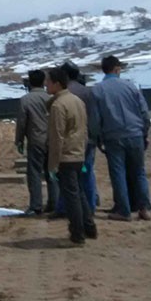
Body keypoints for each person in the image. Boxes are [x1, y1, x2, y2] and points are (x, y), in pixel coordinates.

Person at [91, 55, 151, 221]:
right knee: (139, 171)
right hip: (135, 134)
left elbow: (95, 119)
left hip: (113, 136)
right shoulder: (131, 87)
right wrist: (144, 133)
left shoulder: (97, 90)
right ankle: (144, 207)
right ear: (117, 69)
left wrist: (98, 138)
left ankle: (123, 209)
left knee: (118, 172)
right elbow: (144, 113)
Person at [46, 67, 97, 244]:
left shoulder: (58, 105)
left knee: (71, 197)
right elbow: (84, 130)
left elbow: (57, 137)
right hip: (78, 153)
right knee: (80, 193)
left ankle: (77, 234)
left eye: (48, 81)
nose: (46, 85)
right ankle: (89, 227)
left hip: (66, 156)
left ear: (57, 84)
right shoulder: (77, 100)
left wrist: (53, 164)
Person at [15, 69, 58, 217]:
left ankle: (36, 205)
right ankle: (54, 203)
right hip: (51, 140)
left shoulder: (25, 100)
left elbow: (21, 122)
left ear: (29, 82)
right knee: (51, 172)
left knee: (34, 173)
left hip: (35, 140)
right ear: (43, 82)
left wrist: (19, 140)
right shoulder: (51, 98)